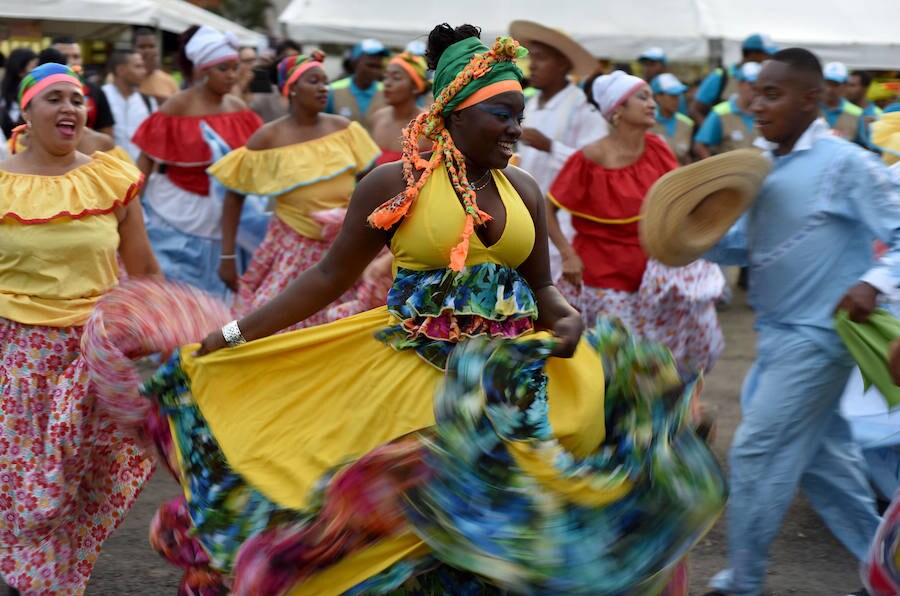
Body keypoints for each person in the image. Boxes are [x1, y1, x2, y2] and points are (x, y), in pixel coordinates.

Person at [100, 24, 725, 595]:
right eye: (500, 115)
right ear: (452, 113)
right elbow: (326, 277)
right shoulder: (396, 182)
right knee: (405, 526)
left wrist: (563, 316)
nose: (514, 129)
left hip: (513, 383)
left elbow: (543, 288)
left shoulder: (525, 190)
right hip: (413, 377)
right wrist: (235, 332)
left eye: (519, 116)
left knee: (516, 527)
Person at [703, 48, 900, 596]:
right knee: (824, 466)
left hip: (819, 340)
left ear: (812, 99)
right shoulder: (761, 163)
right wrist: (697, 235)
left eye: (772, 93)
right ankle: (884, 568)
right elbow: (748, 246)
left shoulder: (847, 164)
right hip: (775, 337)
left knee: (756, 453)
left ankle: (742, 581)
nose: (755, 104)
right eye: (754, 91)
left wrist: (873, 283)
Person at [0, 62, 160, 595]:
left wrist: (164, 343)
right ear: (25, 110)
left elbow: (144, 271)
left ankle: (48, 581)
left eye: (77, 99)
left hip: (93, 356)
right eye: (54, 99)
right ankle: (30, 581)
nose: (70, 108)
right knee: (24, 489)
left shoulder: (108, 177)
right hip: (17, 356)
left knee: (78, 486)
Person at [548, 70, 725, 373]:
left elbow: (678, 200)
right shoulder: (589, 158)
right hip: (603, 275)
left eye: (652, 97)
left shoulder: (656, 148)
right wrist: (568, 254)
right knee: (620, 367)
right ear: (618, 110)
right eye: (642, 97)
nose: (652, 104)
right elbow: (546, 209)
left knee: (663, 361)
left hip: (653, 275)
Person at [210, 52, 380, 327]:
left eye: (325, 81)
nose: (323, 87)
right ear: (290, 89)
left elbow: (374, 185)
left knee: (338, 327)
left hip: (344, 249)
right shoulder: (268, 137)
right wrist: (227, 256)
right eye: (314, 81)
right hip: (291, 247)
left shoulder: (345, 130)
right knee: (272, 323)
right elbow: (234, 195)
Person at [132, 26, 263, 298]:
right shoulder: (177, 105)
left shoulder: (238, 109)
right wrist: (131, 214)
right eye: (223, 69)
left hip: (230, 213)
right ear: (204, 70)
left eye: (234, 67)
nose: (231, 75)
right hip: (178, 210)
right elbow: (145, 161)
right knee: (178, 289)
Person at [509, 20, 608, 283]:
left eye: (541, 59)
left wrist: (552, 147)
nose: (533, 66)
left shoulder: (582, 106)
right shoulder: (529, 104)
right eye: (532, 58)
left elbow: (597, 165)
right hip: (526, 216)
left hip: (565, 226)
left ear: (563, 64)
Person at [690, 33, 777, 127]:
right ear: (753, 54)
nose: (769, 59)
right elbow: (695, 110)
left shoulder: (764, 78)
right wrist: (712, 133)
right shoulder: (721, 77)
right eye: (767, 55)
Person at [369, 51, 431, 165]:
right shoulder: (377, 118)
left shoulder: (430, 125)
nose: (387, 83)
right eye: (385, 77)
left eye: (396, 78)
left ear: (416, 87)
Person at [694, 62, 762, 159]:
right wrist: (715, 170)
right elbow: (700, 145)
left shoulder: (766, 112)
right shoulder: (721, 112)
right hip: (731, 173)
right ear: (739, 84)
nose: (756, 90)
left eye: (759, 85)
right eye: (752, 85)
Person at [51, 36, 115, 137]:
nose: (72, 61)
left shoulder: (95, 91)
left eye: (76, 56)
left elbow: (107, 133)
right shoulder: (38, 89)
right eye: (65, 57)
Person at [102, 50, 156, 162]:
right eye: (138, 67)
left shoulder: (148, 102)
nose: (144, 71)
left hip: (140, 174)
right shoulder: (101, 96)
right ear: (120, 70)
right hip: (109, 172)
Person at [326, 38, 389, 129]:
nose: (375, 71)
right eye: (370, 65)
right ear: (355, 63)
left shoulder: (387, 92)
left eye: (378, 66)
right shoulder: (333, 91)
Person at [651, 72, 695, 165]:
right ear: (658, 97)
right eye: (672, 96)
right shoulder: (647, 123)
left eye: (678, 96)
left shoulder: (686, 124)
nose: (677, 100)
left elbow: (685, 157)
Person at [821, 61, 865, 145]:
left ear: (845, 85)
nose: (830, 89)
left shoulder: (857, 113)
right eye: (827, 83)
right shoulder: (811, 108)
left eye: (835, 84)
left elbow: (862, 145)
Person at [134, 28, 180, 104]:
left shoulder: (169, 81)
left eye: (151, 46)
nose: (147, 51)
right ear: (133, 49)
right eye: (142, 47)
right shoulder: (121, 79)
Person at [0, 48, 37, 138]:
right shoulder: (4, 100)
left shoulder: (37, 96)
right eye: (33, 67)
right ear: (20, 70)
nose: (37, 72)